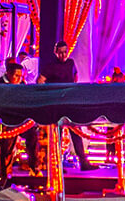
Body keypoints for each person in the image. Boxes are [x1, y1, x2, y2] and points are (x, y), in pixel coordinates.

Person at [38, 41, 92, 170]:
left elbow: (75, 77)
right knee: (57, 134)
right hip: (56, 104)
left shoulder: (70, 63)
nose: (63, 55)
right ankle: (55, 164)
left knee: (75, 131)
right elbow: (40, 80)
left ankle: (83, 161)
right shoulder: (50, 66)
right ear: (56, 52)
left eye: (65, 52)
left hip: (69, 102)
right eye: (60, 52)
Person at [0, 64, 39, 172]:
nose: (20, 79)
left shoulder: (22, 84)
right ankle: (4, 172)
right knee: (6, 148)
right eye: (16, 76)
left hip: (21, 120)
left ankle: (34, 166)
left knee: (32, 136)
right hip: (5, 122)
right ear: (8, 73)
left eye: (21, 76)